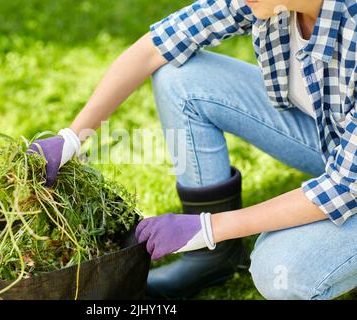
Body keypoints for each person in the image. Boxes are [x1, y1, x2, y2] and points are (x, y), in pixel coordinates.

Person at [29, 0, 357, 300]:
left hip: (349, 178)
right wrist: (72, 137)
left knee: (280, 269)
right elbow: (154, 48)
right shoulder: (269, 2)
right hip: (332, 140)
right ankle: (212, 259)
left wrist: (207, 227)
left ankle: (217, 242)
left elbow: (343, 187)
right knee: (180, 78)